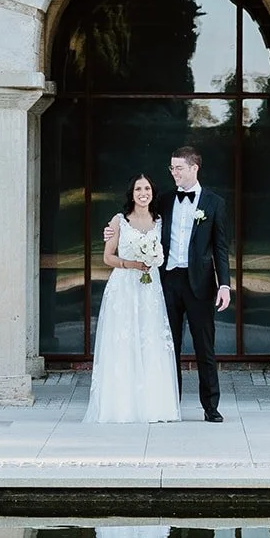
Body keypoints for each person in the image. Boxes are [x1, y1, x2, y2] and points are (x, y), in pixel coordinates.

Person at [84, 173, 181, 423]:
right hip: (124, 286)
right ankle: (122, 406)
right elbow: (107, 257)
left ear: (152, 192)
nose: (143, 193)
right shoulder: (119, 221)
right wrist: (131, 264)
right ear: (132, 193)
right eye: (138, 189)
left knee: (150, 341)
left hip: (150, 289)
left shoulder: (160, 221)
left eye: (147, 188)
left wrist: (149, 262)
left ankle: (153, 406)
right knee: (123, 342)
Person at [155, 146, 231, 423]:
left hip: (200, 284)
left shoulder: (214, 203)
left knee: (204, 347)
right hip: (167, 281)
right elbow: (136, 218)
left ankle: (211, 407)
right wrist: (112, 228)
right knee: (168, 347)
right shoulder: (163, 200)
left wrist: (225, 286)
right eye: (172, 168)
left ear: (194, 168)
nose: (174, 173)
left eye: (179, 168)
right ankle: (169, 405)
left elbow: (221, 248)